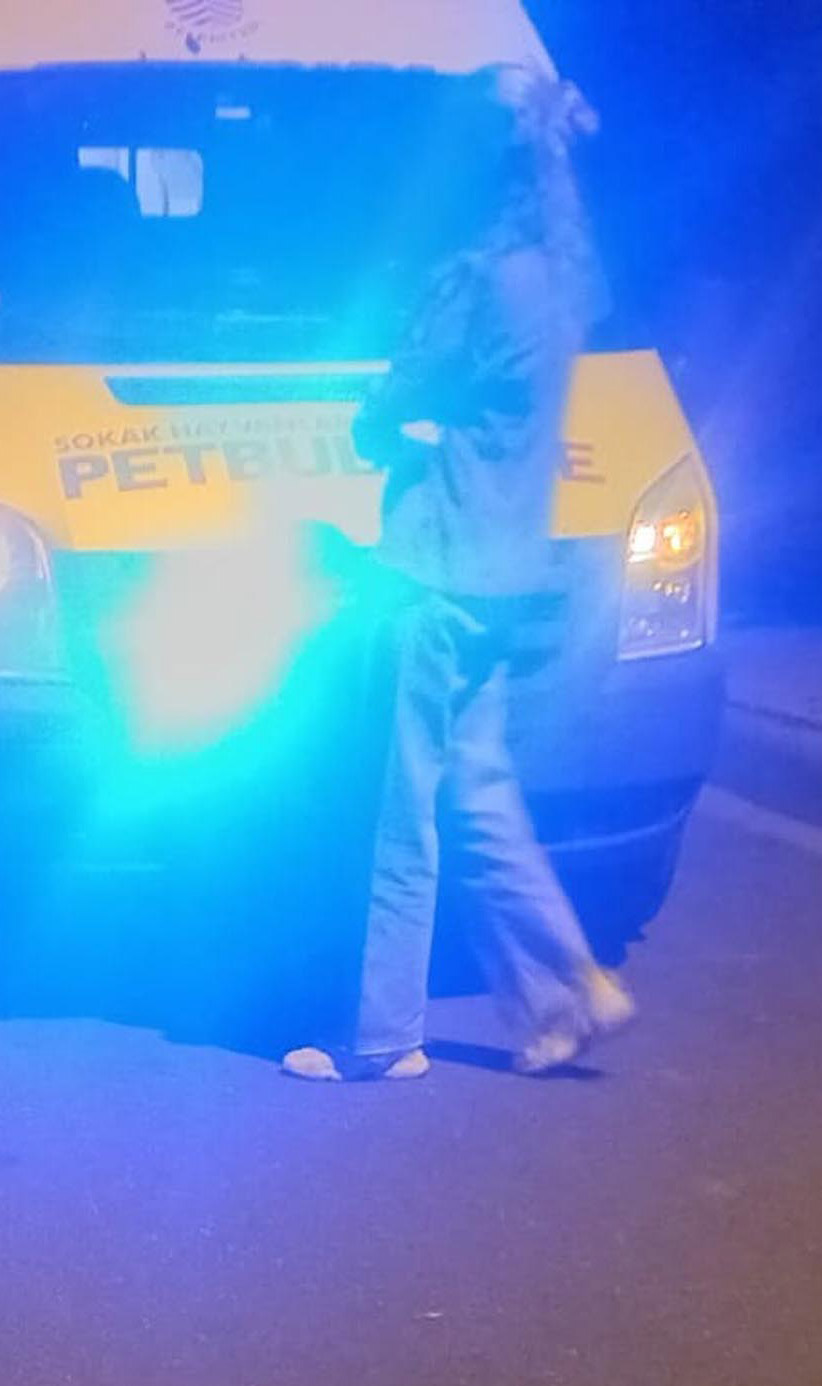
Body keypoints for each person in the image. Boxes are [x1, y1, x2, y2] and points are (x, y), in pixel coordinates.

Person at [280, 66, 635, 1084]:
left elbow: (385, 409)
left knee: (400, 817)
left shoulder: (473, 280)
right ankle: (570, 989)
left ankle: (382, 1038)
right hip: (513, 575)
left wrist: (391, 429)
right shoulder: (561, 280)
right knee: (480, 798)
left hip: (431, 575)